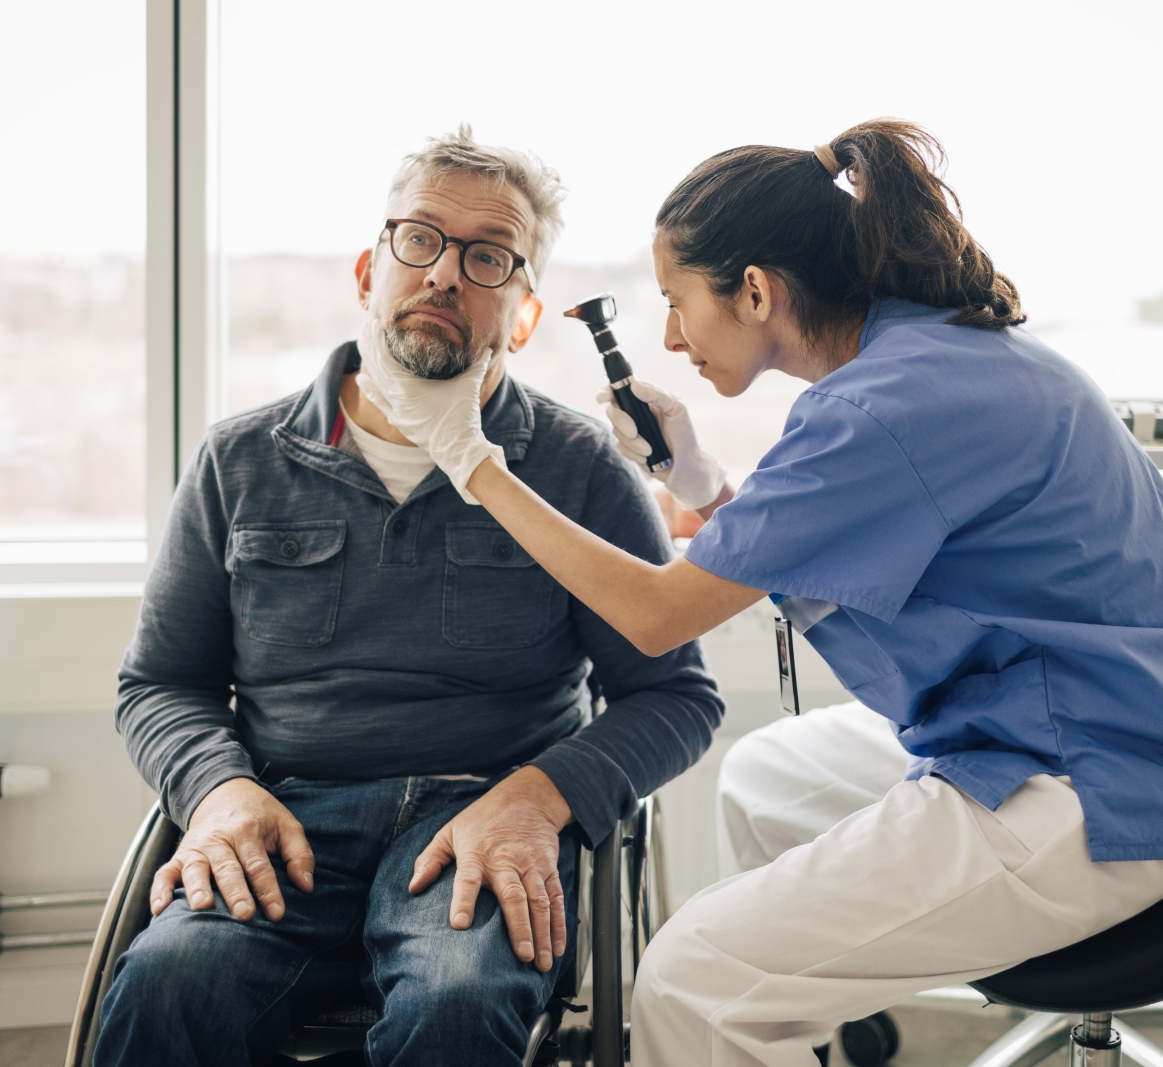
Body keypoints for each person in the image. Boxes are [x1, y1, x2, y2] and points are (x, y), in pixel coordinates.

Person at [362, 119, 1163, 1067]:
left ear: (754, 291)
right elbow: (813, 533)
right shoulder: (926, 357)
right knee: (767, 778)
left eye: (676, 302)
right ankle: (791, 1026)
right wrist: (701, 481)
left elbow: (659, 615)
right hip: (1110, 717)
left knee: (691, 982)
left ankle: (742, 1020)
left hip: (1096, 780)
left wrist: (471, 458)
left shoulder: (876, 410)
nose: (667, 336)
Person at [94, 126, 724, 1067]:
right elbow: (157, 684)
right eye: (419, 240)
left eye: (487, 258)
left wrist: (540, 800)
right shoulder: (240, 460)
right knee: (166, 985)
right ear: (368, 270)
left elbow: (677, 694)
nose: (443, 275)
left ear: (520, 314)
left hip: (484, 816)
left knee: (458, 1006)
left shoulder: (576, 465)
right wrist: (217, 791)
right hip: (283, 814)